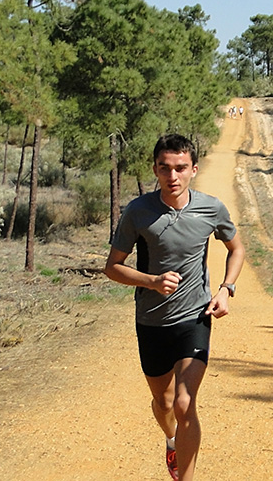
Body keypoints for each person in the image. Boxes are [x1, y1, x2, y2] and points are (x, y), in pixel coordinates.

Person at [104, 134, 245, 481]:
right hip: (151, 321)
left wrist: (226, 289)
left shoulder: (211, 208)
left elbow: (237, 249)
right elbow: (112, 266)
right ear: (155, 169)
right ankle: (171, 440)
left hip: (193, 317)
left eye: (181, 168)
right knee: (164, 403)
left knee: (184, 402)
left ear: (193, 169)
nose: (173, 176)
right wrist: (151, 281)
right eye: (165, 168)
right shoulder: (138, 212)